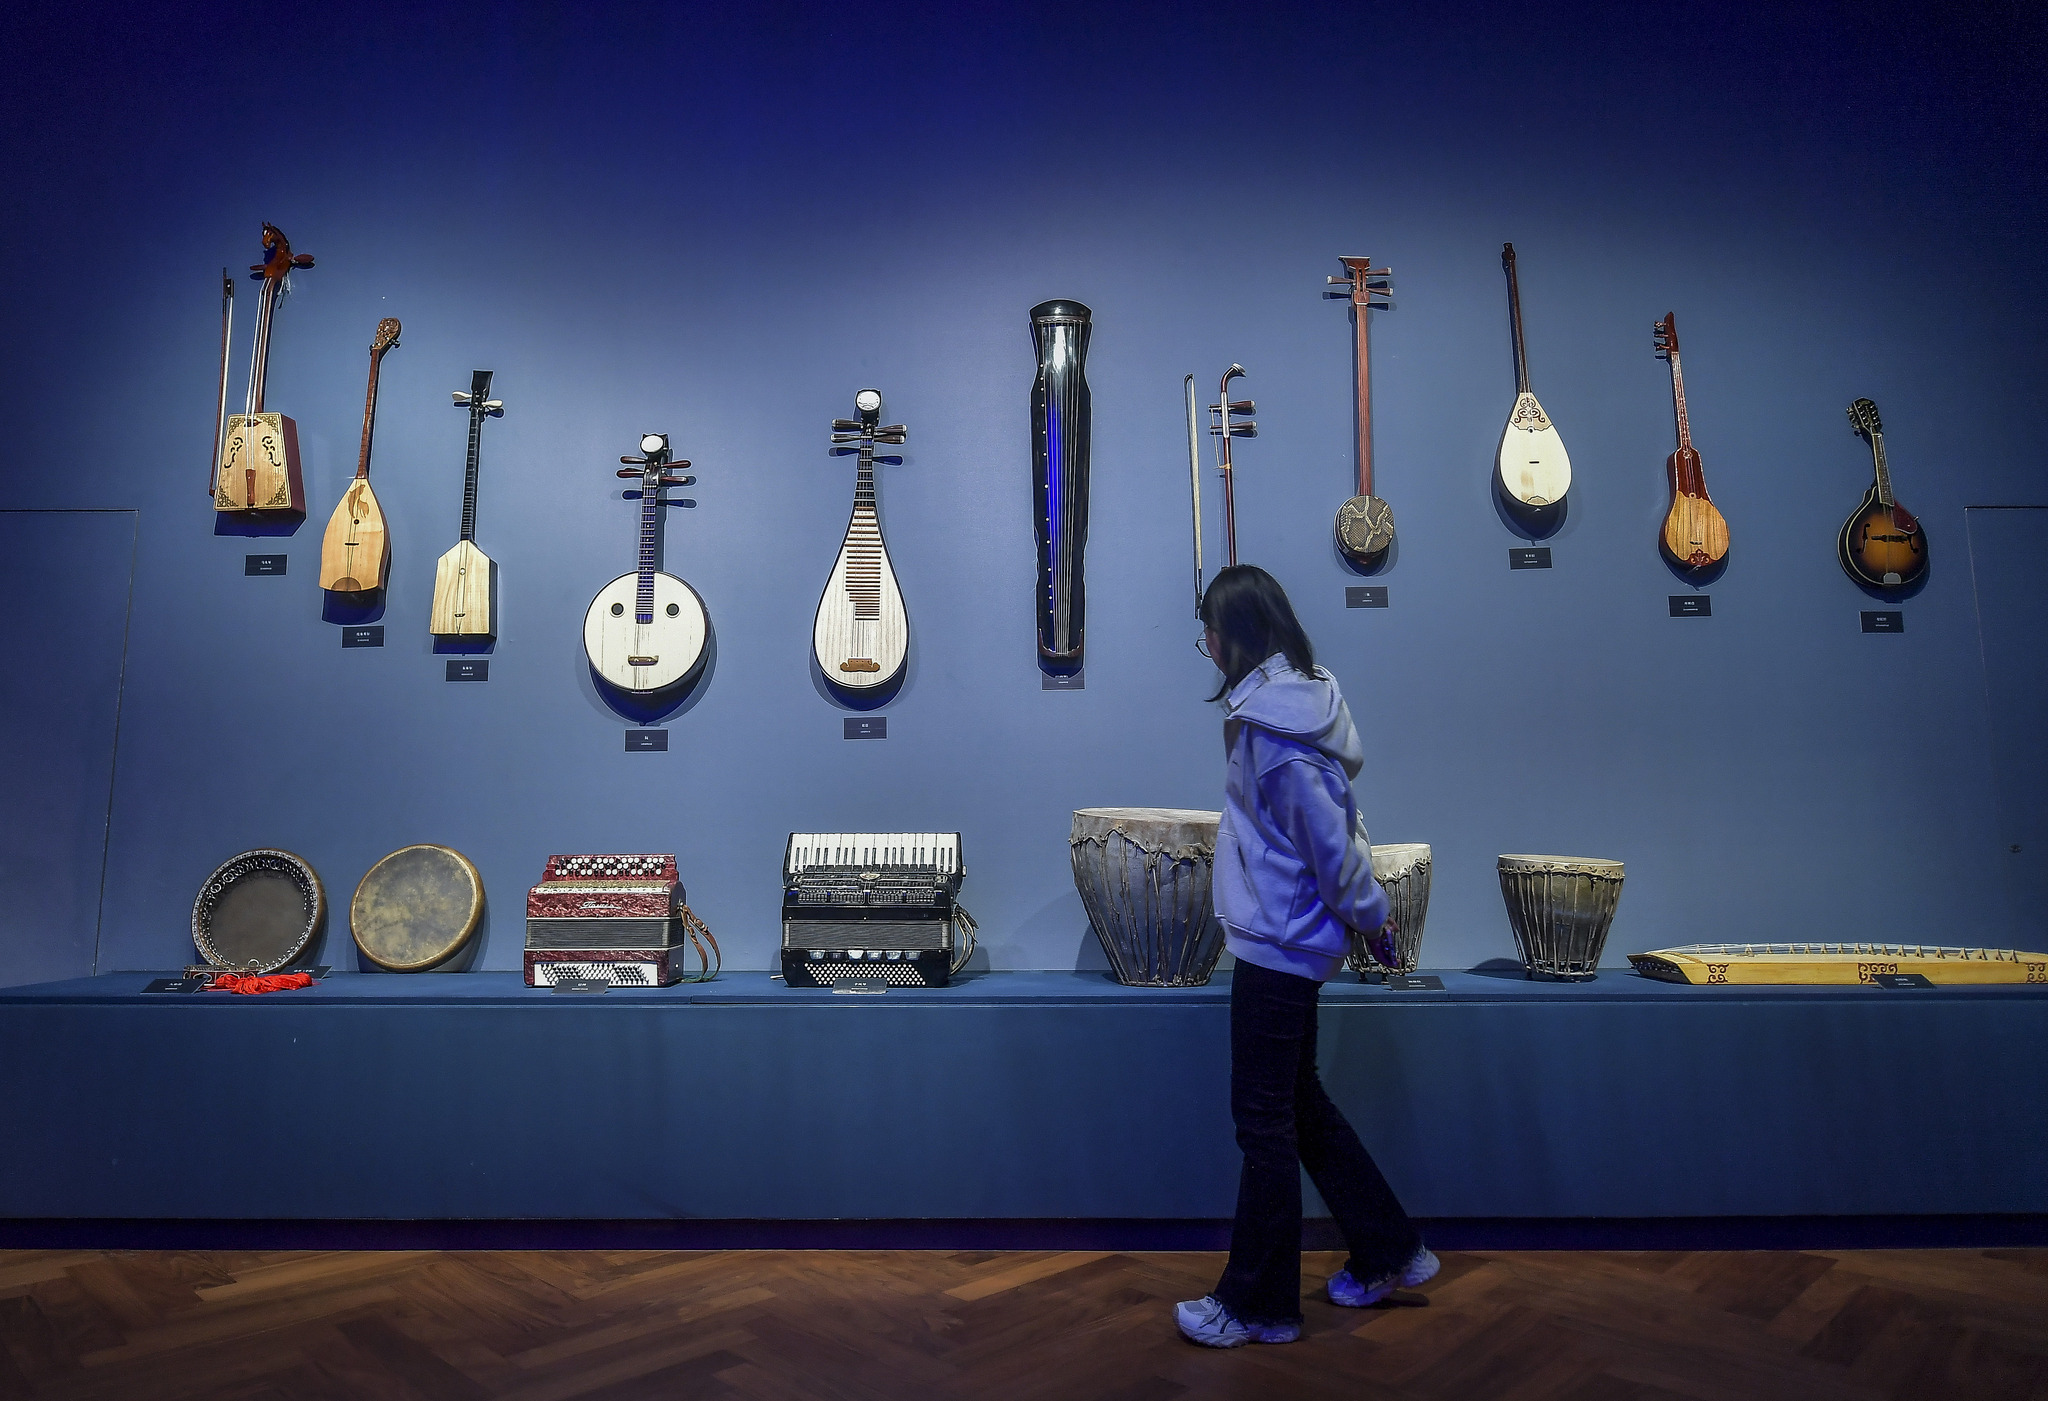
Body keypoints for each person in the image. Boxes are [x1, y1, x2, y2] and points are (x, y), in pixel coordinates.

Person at [1175, 564, 1437, 1348]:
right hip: (1285, 938)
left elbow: (1334, 846)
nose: (1208, 646)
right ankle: (1389, 1248)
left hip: (1278, 946)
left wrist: (1373, 914)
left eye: (1210, 632)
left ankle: (1257, 1304)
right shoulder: (1295, 703)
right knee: (1299, 1107)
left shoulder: (1278, 738)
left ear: (1237, 635)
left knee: (1263, 1123)